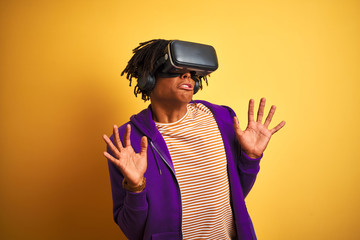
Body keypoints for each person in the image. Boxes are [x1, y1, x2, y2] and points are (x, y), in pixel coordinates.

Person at [103, 39, 285, 240]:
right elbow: (133, 231)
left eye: (191, 72)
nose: (186, 75)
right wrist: (135, 187)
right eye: (175, 69)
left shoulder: (222, 118)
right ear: (148, 79)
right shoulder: (127, 142)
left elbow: (235, 196)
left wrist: (251, 158)